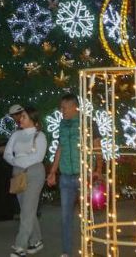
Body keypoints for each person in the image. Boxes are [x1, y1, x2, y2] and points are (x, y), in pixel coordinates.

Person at [47, 94, 102, 257]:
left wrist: (98, 169)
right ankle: (66, 252)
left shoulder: (88, 123)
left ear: (74, 107)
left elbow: (97, 147)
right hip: (65, 176)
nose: (61, 111)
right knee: (65, 217)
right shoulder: (62, 125)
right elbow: (60, 148)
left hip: (84, 175)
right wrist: (52, 172)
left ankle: (88, 248)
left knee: (86, 215)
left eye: (64, 107)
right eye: (61, 107)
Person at [3, 105, 47, 257]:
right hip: (18, 174)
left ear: (32, 120)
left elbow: (38, 157)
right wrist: (16, 162)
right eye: (20, 117)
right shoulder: (16, 135)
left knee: (27, 210)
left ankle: (20, 246)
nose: (20, 119)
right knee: (27, 210)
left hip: (34, 173)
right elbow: (7, 154)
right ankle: (36, 240)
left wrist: (19, 161)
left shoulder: (39, 136)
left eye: (24, 117)